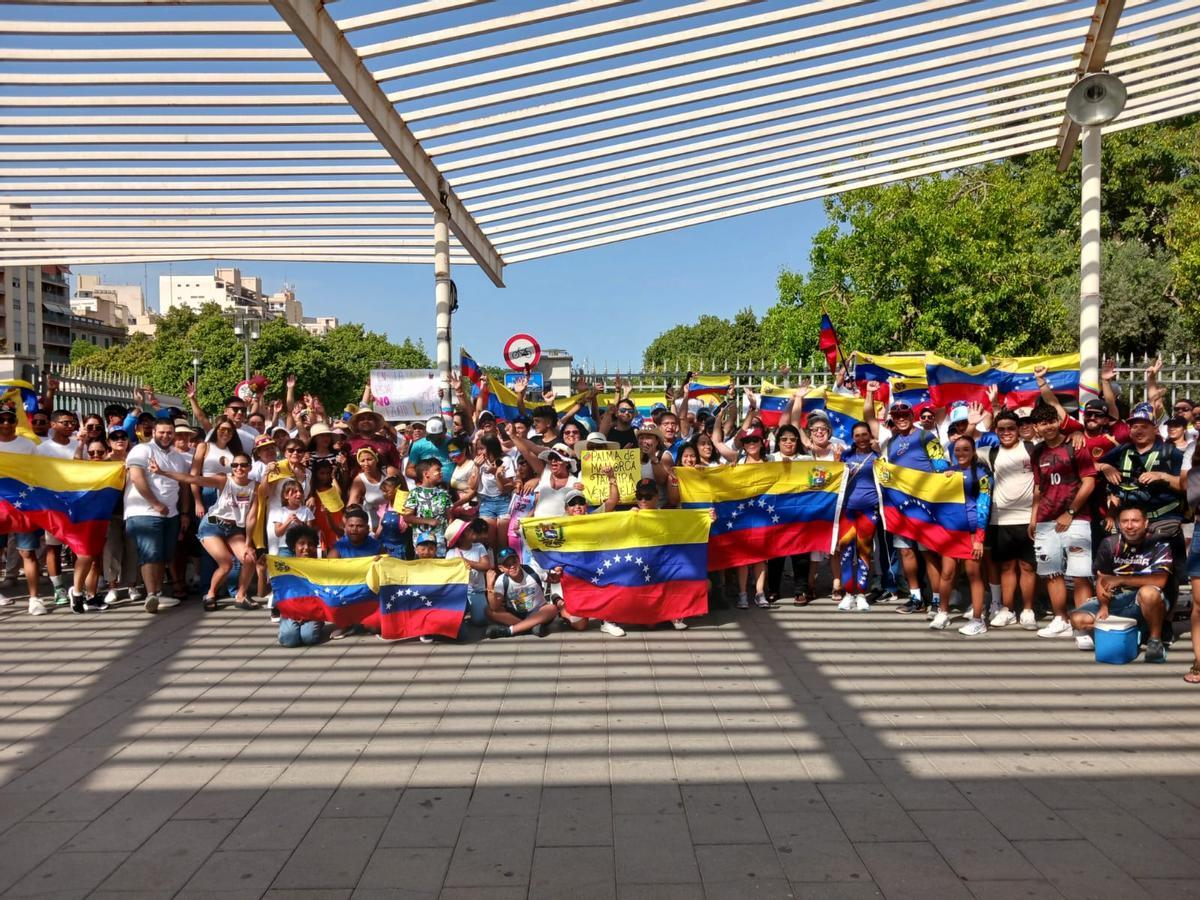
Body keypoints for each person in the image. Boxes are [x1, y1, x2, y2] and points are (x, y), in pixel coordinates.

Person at [864, 383, 949, 616]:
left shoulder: (926, 436)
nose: (901, 418)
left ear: (912, 416)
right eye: (896, 415)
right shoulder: (890, 442)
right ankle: (916, 598)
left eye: (905, 414)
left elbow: (940, 464)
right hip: (900, 507)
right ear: (892, 418)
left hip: (925, 506)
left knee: (928, 553)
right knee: (906, 553)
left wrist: (945, 478)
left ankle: (936, 599)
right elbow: (869, 418)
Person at [150, 450, 260, 612]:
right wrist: (161, 472)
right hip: (212, 525)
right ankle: (210, 594)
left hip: (234, 528)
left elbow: (251, 517)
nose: (239, 468)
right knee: (226, 564)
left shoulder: (255, 486)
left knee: (249, 558)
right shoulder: (224, 480)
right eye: (235, 465)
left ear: (249, 467)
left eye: (243, 465)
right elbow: (193, 479)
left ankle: (241, 595)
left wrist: (249, 543)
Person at [1027, 403, 1097, 639]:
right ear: (1036, 427)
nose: (1047, 427)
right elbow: (1039, 488)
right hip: (1046, 521)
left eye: (1051, 421)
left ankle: (1084, 624)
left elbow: (1089, 482)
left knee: (1080, 573)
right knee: (1051, 572)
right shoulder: (1036, 452)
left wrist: (1070, 512)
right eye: (1042, 423)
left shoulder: (1075, 445)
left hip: (1077, 519)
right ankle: (1061, 619)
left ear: (1058, 421)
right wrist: (1033, 517)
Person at [1069, 504, 1171, 662]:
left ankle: (1155, 641)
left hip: (1145, 599)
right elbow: (1102, 578)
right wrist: (1104, 605)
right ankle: (1134, 630)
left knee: (1148, 593)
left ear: (1146, 523)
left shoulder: (1159, 543)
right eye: (1124, 521)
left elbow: (1161, 580)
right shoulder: (1109, 543)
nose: (1129, 526)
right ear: (1118, 524)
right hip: (1117, 600)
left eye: (1135, 521)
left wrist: (1121, 579)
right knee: (1077, 619)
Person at [124, 418, 190, 613]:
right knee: (150, 553)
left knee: (164, 554)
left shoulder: (178, 458)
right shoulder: (141, 450)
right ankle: (151, 594)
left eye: (170, 432)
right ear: (153, 431)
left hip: (171, 513)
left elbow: (184, 485)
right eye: (162, 432)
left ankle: (159, 594)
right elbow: (136, 477)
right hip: (144, 511)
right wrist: (155, 503)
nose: (166, 436)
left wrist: (184, 512)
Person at [983, 411, 1039, 630]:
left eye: (1010, 428)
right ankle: (1007, 609)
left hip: (1027, 518)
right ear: (996, 431)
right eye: (1001, 429)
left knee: (1027, 566)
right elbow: (961, 450)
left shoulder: (1031, 448)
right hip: (1000, 519)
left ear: (1019, 429)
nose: (1006, 432)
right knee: (1006, 567)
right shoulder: (990, 452)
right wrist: (971, 425)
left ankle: (1027, 609)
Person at [936, 437, 992, 636]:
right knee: (947, 573)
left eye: (966, 449)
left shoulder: (982, 474)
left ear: (973, 451)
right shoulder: (946, 472)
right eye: (957, 449)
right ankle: (942, 612)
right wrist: (944, 479)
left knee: (973, 574)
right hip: (950, 531)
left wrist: (979, 538)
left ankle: (978, 619)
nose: (961, 453)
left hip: (971, 532)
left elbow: (984, 505)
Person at [0, 405, 47, 615]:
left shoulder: (28, 445)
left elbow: (37, 472)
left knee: (27, 552)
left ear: (16, 422)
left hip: (23, 504)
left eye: (10, 420)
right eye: (2, 420)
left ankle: (34, 598)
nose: (6, 424)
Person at [836, 422, 880, 612]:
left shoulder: (878, 456)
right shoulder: (845, 456)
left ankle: (861, 594)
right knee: (845, 553)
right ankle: (848, 594)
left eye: (864, 435)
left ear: (870, 436)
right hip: (846, 510)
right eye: (857, 436)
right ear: (852, 438)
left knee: (864, 552)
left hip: (869, 511)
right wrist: (836, 461)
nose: (861, 439)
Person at [485, 546, 559, 638]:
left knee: (552, 608)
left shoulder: (533, 570)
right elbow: (494, 607)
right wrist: (490, 586)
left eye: (514, 562)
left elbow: (553, 579)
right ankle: (530, 627)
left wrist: (557, 572)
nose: (512, 566)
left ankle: (510, 631)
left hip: (538, 612)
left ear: (519, 561)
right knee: (489, 611)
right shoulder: (501, 580)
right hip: (515, 615)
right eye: (507, 565)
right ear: (501, 568)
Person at [277, 524, 323, 648]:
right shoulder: (284, 567)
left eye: (310, 544)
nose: (306, 548)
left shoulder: (323, 567)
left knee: (309, 637)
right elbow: (262, 593)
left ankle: (317, 624)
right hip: (290, 612)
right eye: (301, 543)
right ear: (293, 547)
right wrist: (260, 572)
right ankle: (287, 625)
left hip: (313, 612)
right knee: (289, 639)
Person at [446, 518, 494, 628]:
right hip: (459, 592)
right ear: (460, 537)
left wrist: (468, 562)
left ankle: (471, 613)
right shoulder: (451, 553)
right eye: (468, 530)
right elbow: (450, 575)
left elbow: (486, 566)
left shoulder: (479, 547)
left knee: (480, 621)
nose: (471, 530)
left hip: (476, 591)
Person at [402, 458, 452, 556]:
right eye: (437, 470)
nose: (440, 472)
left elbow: (449, 516)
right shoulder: (415, 493)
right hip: (421, 546)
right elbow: (407, 517)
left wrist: (450, 536)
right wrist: (428, 520)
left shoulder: (443, 494)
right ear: (426, 474)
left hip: (440, 542)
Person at [267, 479, 314, 557]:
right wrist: (287, 521)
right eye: (295, 492)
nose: (299, 494)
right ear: (286, 496)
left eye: (300, 491)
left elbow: (310, 532)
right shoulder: (280, 511)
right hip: (285, 548)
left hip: (302, 549)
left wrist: (300, 523)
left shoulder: (306, 510)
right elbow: (278, 533)